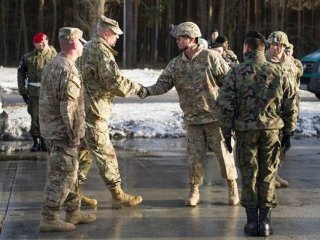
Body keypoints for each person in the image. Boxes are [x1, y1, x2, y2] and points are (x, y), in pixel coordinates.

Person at [138, 21, 239, 207]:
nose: (177, 41)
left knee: (224, 156)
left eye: (180, 38)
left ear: (192, 38)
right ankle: (194, 191)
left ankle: (232, 188)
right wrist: (147, 91)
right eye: (176, 38)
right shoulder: (176, 64)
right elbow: (163, 84)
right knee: (194, 158)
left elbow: (229, 82)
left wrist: (229, 108)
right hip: (192, 119)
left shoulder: (211, 58)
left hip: (214, 118)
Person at [218, 31, 298, 237]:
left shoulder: (236, 72)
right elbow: (291, 105)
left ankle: (252, 222)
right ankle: (266, 223)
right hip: (272, 132)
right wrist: (288, 132)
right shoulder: (279, 72)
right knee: (268, 175)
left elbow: (225, 106)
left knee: (249, 175)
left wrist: (226, 133)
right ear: (264, 48)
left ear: (246, 48)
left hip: (245, 132)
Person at [79, 15, 143, 209]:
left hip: (82, 111)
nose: (117, 38)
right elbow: (115, 83)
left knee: (83, 154)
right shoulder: (101, 51)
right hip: (94, 113)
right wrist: (138, 88)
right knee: (106, 154)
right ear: (106, 33)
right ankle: (117, 194)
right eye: (115, 35)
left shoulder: (87, 48)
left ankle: (72, 194)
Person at [39, 27, 96, 232]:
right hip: (63, 133)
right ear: (73, 44)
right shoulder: (67, 69)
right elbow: (69, 109)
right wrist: (74, 136)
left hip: (52, 129)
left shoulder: (53, 63)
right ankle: (50, 216)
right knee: (62, 175)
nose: (83, 45)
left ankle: (73, 211)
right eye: (81, 42)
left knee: (70, 172)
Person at [265, 31, 301, 188]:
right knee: (269, 147)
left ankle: (275, 173)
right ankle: (268, 177)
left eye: (280, 45)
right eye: (274, 44)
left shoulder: (290, 63)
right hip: (270, 113)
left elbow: (293, 88)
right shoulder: (264, 62)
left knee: (284, 145)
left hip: (289, 111)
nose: (277, 48)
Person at [17, 32, 57, 152]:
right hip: (34, 93)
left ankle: (45, 141)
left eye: (45, 41)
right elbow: (21, 74)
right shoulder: (28, 58)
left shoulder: (55, 56)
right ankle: (36, 141)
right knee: (35, 117)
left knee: (48, 117)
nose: (43, 43)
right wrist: (23, 92)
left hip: (50, 93)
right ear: (35, 44)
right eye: (40, 42)